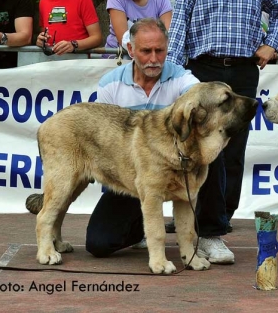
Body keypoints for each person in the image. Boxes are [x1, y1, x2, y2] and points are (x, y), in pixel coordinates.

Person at [167, 0, 278, 264]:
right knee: (203, 152)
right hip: (202, 71)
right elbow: (178, 30)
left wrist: (272, 44)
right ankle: (206, 227)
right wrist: (173, 73)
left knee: (233, 154)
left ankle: (217, 225)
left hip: (242, 73)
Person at [85, 18, 199, 257]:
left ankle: (207, 235)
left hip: (175, 174)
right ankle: (138, 229)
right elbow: (102, 139)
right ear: (131, 50)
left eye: (160, 50)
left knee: (212, 155)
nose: (154, 58)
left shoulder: (182, 79)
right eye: (146, 51)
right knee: (99, 244)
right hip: (128, 178)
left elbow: (199, 100)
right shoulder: (110, 84)